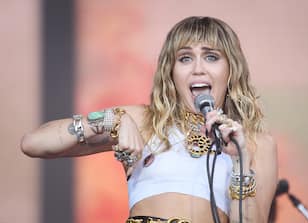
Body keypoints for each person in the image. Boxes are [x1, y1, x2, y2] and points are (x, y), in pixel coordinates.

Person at [21, 16, 278, 223]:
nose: (198, 68)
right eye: (185, 58)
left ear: (231, 70)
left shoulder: (256, 144)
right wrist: (113, 120)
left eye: (211, 56)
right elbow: (34, 143)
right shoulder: (146, 121)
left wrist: (239, 161)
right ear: (171, 72)